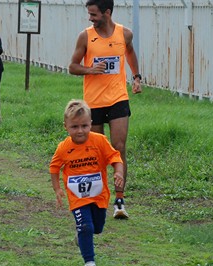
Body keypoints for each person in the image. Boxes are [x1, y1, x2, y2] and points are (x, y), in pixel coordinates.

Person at [69, 0, 141, 219]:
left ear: (107, 12)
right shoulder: (85, 36)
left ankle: (120, 201)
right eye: (89, 14)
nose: (90, 18)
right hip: (94, 102)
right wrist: (90, 70)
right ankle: (98, 198)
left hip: (118, 98)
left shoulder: (124, 34)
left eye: (94, 14)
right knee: (97, 152)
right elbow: (72, 67)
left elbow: (129, 53)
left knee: (119, 147)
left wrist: (136, 77)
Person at [50, 100, 124, 266]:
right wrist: (58, 189)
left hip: (99, 196)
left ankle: (81, 235)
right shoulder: (64, 148)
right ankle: (89, 264)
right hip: (77, 197)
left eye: (84, 125)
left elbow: (115, 157)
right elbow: (54, 168)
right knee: (86, 226)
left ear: (91, 123)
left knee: (96, 228)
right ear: (66, 127)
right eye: (75, 127)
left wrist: (118, 171)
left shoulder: (99, 141)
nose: (80, 130)